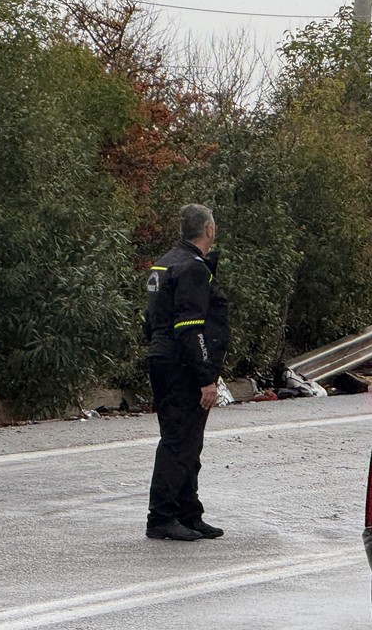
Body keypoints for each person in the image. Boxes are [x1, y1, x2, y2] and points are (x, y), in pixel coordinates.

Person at [142, 203, 229, 542]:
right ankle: (161, 517)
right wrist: (206, 376)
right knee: (179, 442)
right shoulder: (192, 268)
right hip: (181, 364)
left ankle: (189, 513)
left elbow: (150, 319)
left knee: (188, 442)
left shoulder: (164, 262)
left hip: (164, 359)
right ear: (208, 230)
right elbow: (190, 329)